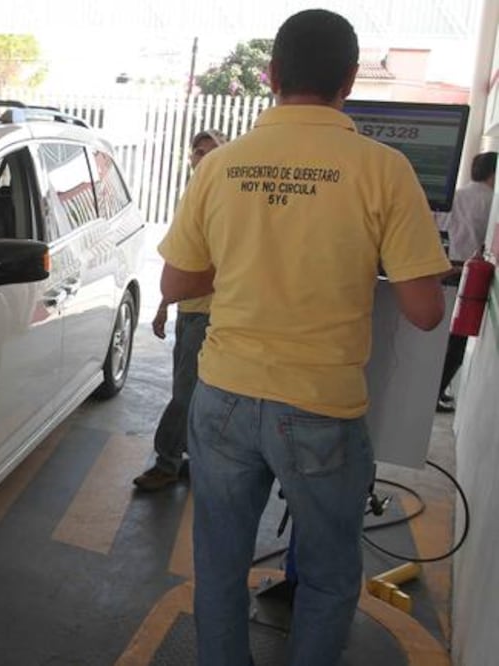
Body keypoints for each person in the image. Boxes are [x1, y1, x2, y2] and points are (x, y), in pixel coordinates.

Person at [157, 10, 450, 666]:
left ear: (270, 75)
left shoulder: (221, 165)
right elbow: (425, 311)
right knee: (326, 575)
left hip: (223, 396)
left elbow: (176, 282)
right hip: (320, 408)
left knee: (219, 567)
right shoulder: (384, 169)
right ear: (350, 79)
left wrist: (247, 253)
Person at [134, 129, 227, 491]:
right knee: (188, 390)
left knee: (188, 394)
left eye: (211, 151)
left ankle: (167, 461)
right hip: (189, 311)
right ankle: (190, 458)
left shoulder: (228, 200)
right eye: (198, 152)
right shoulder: (194, 196)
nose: (203, 158)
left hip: (212, 315)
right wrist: (164, 305)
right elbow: (180, 262)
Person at [435, 150, 496, 412]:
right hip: (468, 275)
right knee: (457, 342)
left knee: (441, 339)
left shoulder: (456, 194)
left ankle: (433, 390)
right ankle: (436, 392)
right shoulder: (490, 202)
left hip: (444, 268)